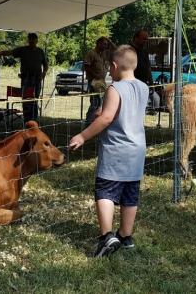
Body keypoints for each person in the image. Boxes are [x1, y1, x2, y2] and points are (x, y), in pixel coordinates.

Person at [68, 45, 148, 258]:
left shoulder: (115, 89)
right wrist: (104, 110)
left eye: (109, 69)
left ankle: (106, 236)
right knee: (130, 194)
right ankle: (125, 236)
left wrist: (82, 136)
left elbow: (106, 118)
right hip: (137, 150)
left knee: (105, 191)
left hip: (116, 150)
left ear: (113, 66)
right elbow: (125, 111)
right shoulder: (143, 87)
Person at [0, 33, 48, 121]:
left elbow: (45, 65)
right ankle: (27, 120)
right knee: (26, 99)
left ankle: (34, 120)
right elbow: (11, 52)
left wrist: (44, 73)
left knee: (35, 99)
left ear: (36, 41)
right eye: (30, 40)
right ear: (28, 40)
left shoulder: (40, 51)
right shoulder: (23, 50)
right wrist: (1, 53)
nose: (31, 42)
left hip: (37, 79)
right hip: (26, 78)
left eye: (33, 40)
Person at [83, 37, 114, 126]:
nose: (105, 46)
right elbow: (86, 66)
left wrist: (110, 41)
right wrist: (95, 76)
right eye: (104, 44)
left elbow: (115, 50)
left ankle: (95, 123)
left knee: (100, 103)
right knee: (94, 103)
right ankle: (88, 124)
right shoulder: (91, 53)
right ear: (98, 43)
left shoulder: (105, 54)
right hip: (93, 81)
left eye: (106, 44)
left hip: (102, 81)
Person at [131, 29, 159, 111]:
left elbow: (148, 68)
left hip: (142, 85)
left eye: (147, 39)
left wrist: (152, 84)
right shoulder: (128, 50)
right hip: (131, 85)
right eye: (143, 39)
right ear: (136, 38)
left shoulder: (144, 52)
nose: (145, 41)